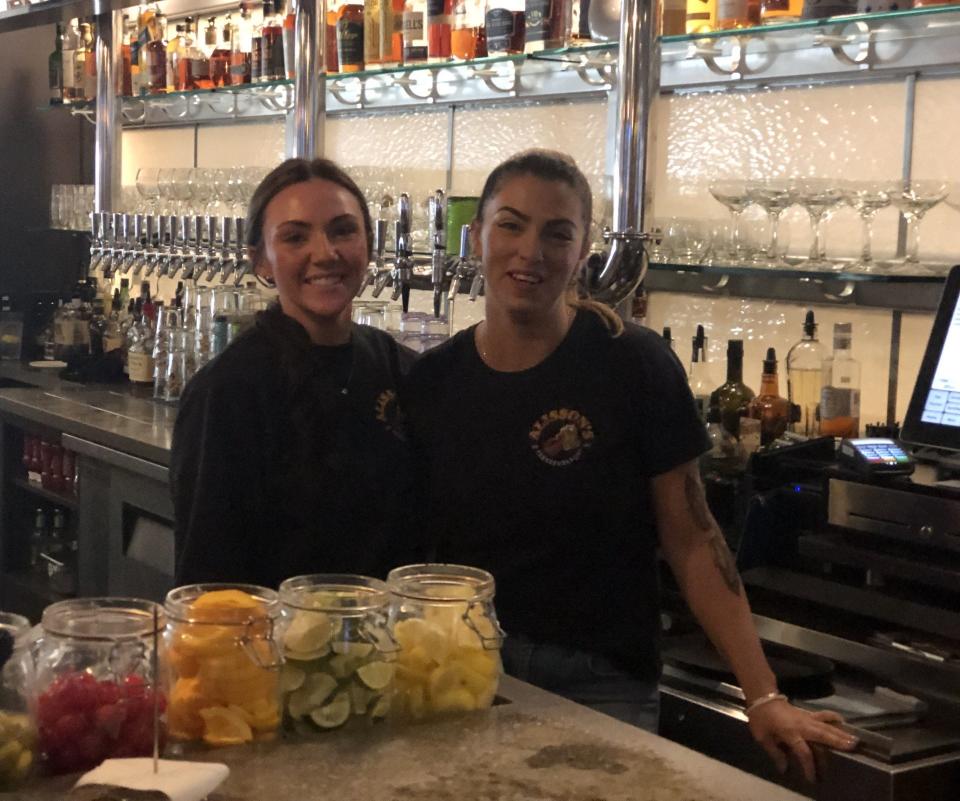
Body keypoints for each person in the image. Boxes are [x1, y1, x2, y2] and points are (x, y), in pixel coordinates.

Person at [406, 149, 857, 781]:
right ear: (475, 235)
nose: (530, 251)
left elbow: (694, 538)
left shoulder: (631, 364)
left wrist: (763, 694)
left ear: (583, 249)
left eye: (556, 233)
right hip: (467, 677)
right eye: (510, 224)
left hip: (602, 682)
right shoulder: (433, 382)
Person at [171, 158, 413, 588]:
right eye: (295, 237)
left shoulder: (394, 366)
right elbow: (208, 585)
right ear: (260, 261)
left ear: (369, 246)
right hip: (277, 650)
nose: (325, 253)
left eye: (342, 230)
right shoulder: (228, 392)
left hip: (392, 647)